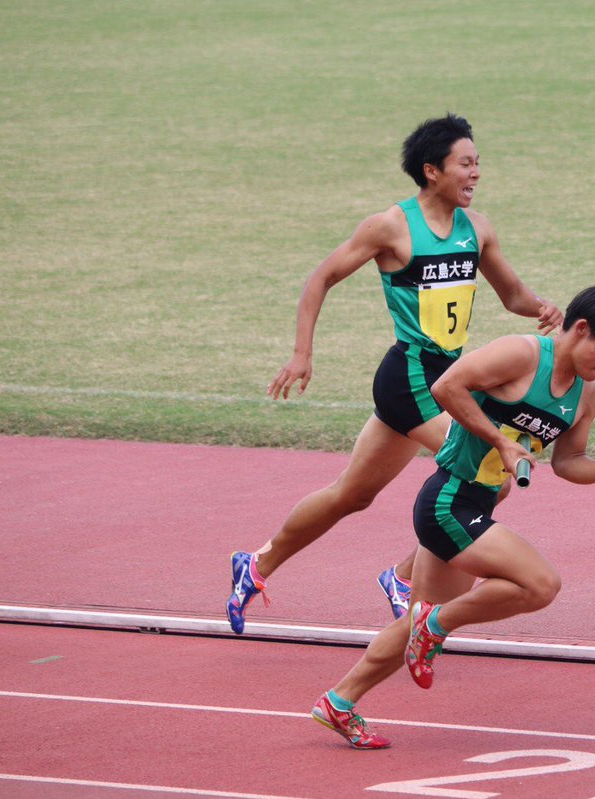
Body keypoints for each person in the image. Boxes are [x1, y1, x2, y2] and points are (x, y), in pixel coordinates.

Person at [226, 113, 563, 634]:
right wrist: (301, 353)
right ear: (432, 171)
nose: (476, 174)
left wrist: (544, 308)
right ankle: (406, 580)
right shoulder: (391, 226)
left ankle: (257, 563)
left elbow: (513, 296)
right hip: (409, 376)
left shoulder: (478, 229)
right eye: (465, 164)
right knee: (484, 474)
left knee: (352, 495)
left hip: (450, 376)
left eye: (479, 164)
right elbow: (322, 277)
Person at [310, 279, 595, 749]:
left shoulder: (586, 394)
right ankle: (438, 624)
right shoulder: (522, 355)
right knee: (540, 584)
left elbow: (568, 462)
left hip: (475, 503)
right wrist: (501, 441)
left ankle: (339, 703)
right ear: (582, 329)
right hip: (448, 499)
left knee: (414, 623)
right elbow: (447, 386)